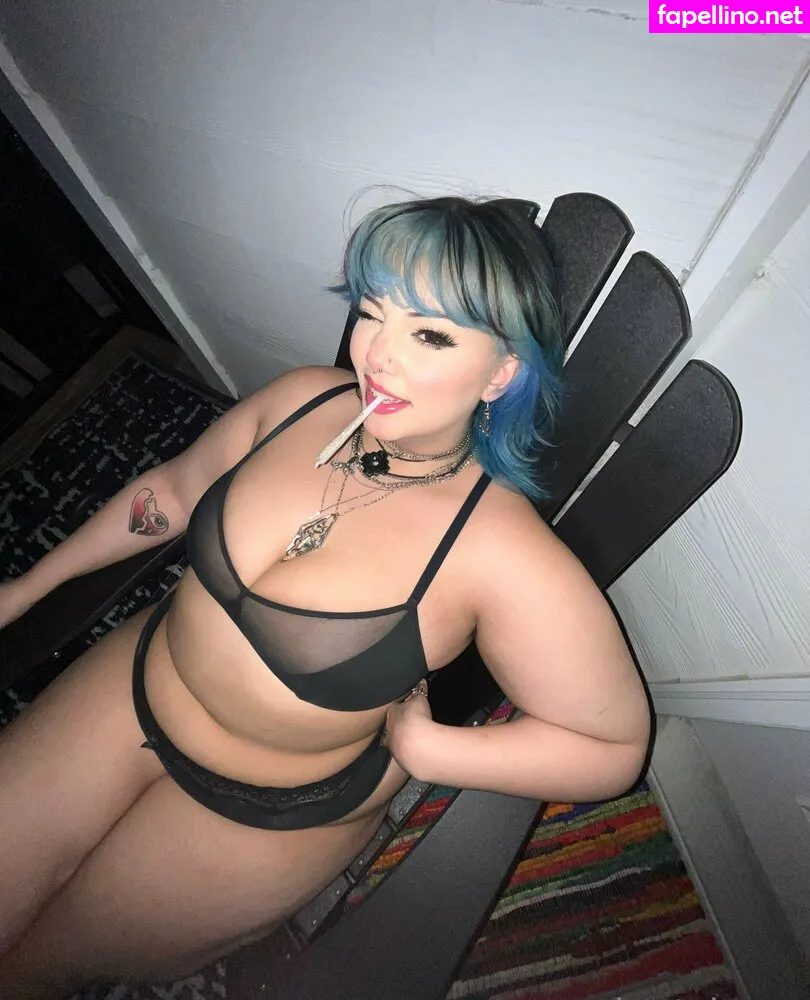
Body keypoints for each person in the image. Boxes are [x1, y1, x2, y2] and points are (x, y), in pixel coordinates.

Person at [0, 196, 650, 998]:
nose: (379, 356)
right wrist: (25, 589)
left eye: (431, 335)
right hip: (134, 687)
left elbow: (612, 749)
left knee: (34, 968)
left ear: (499, 374)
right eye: (373, 313)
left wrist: (431, 754)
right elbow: (171, 493)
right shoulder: (303, 400)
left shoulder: (503, 553)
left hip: (266, 810)